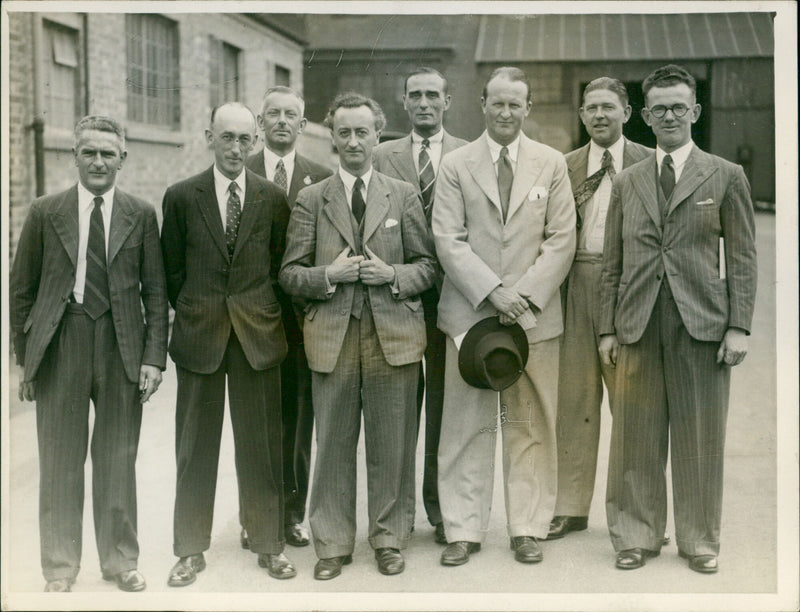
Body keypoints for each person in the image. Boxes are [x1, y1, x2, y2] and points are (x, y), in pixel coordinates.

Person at [598, 64, 757, 573]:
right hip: (638, 323)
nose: (669, 116)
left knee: (700, 438)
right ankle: (635, 535)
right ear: (644, 115)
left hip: (702, 324)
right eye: (659, 108)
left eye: (678, 107)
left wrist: (739, 325)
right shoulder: (627, 181)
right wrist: (606, 328)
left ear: (695, 111)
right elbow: (612, 264)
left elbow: (743, 258)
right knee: (635, 437)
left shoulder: (726, 175)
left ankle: (700, 540)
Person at [280, 92, 436, 579]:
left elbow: (428, 267)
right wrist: (330, 274)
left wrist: (392, 274)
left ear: (378, 135)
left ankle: (390, 539)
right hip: (333, 338)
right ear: (332, 138)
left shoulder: (403, 194)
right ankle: (331, 543)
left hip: (394, 336)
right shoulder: (312, 198)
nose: (353, 141)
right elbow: (290, 274)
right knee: (334, 445)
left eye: (362, 132)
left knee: (392, 446)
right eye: (343, 132)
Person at [10, 115, 168, 593]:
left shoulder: (140, 214)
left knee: (117, 458)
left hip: (121, 343)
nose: (98, 161)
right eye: (89, 152)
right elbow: (21, 291)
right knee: (60, 459)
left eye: (107, 153)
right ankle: (59, 567)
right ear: (74, 156)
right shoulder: (45, 211)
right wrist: (27, 361)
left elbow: (155, 293)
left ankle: (120, 561)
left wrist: (152, 358)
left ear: (123, 158)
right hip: (63, 341)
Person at [433, 67, 576, 566]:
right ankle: (463, 529)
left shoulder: (551, 163)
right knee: (466, 426)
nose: (506, 112)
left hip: (534, 317)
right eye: (498, 103)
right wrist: (494, 293)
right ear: (482, 103)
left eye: (516, 104)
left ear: (528, 108)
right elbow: (447, 239)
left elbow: (562, 239)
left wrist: (524, 296)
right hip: (471, 316)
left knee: (530, 423)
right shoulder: (455, 164)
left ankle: (528, 527)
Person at [160, 102, 295, 585]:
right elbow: (172, 270)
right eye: (226, 137)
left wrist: (258, 314)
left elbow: (280, 268)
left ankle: (267, 543)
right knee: (194, 447)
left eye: (244, 138)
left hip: (257, 337)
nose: (236, 147)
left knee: (261, 446)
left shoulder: (273, 197)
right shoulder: (180, 197)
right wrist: (201, 310)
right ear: (208, 137)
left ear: (255, 141)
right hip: (201, 336)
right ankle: (190, 549)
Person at [548, 78, 652, 540]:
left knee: (633, 404)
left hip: (630, 287)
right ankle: (569, 507)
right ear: (582, 115)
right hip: (576, 284)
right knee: (574, 400)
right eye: (590, 108)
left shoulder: (649, 164)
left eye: (608, 107)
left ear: (627, 112)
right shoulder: (564, 166)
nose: (599, 116)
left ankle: (636, 511)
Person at [373, 67, 467, 545]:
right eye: (416, 95)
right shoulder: (379, 155)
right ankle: (396, 514)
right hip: (398, 296)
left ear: (448, 101)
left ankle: (442, 510)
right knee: (399, 411)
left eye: (434, 94)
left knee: (446, 412)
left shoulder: (470, 155)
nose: (425, 102)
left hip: (455, 296)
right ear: (403, 102)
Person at [243, 86, 333, 549]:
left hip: (301, 320)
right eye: (273, 114)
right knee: (256, 421)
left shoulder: (321, 177)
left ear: (302, 125)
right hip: (250, 318)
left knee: (298, 419)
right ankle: (255, 514)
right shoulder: (242, 170)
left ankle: (293, 513)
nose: (281, 121)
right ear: (261, 123)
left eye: (291, 115)